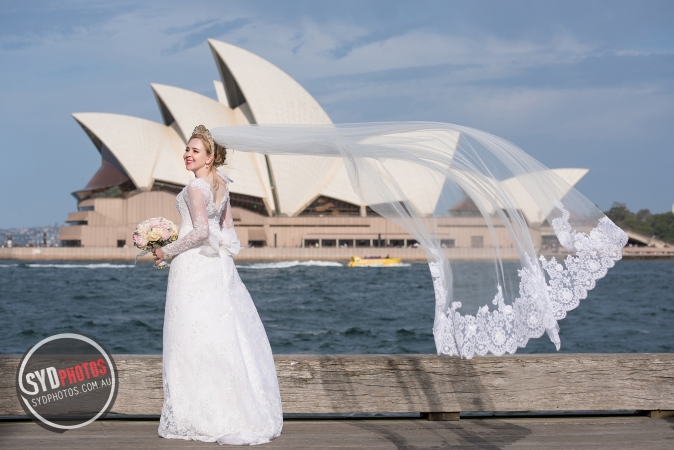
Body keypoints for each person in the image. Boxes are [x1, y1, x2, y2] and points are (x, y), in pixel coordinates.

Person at [152, 125, 283, 445]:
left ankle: (200, 411)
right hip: (217, 266)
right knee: (219, 333)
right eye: (187, 149)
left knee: (190, 333)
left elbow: (198, 232)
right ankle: (231, 407)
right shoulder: (222, 185)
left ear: (209, 158)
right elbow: (226, 229)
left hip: (193, 266)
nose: (188, 154)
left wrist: (165, 251)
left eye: (195, 151)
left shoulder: (196, 186)